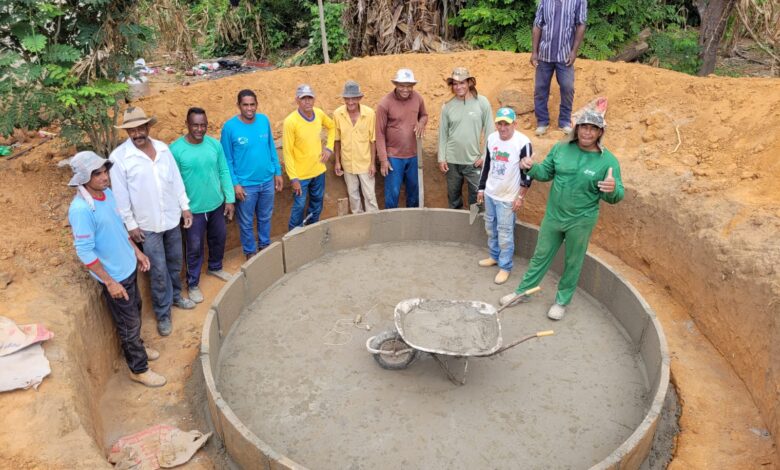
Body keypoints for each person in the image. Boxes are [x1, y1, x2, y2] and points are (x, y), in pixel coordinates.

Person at [500, 109, 623, 320]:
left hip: (581, 221)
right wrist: (530, 168)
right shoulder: (561, 149)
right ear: (577, 129)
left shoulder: (608, 161)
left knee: (573, 261)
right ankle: (523, 292)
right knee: (540, 255)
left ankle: (561, 301)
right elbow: (545, 172)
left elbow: (616, 195)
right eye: (584, 127)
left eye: (593, 128)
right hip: (554, 216)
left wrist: (612, 189)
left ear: (600, 132)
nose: (587, 132)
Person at [67, 151, 166, 387]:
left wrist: (137, 252)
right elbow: (85, 251)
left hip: (128, 268)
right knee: (128, 323)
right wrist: (109, 281)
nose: (105, 177)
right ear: (83, 178)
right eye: (97, 173)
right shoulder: (81, 210)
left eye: (104, 171)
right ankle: (139, 369)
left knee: (135, 311)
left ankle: (136, 348)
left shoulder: (106, 194)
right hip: (115, 277)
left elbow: (120, 229)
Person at [110, 107, 195, 337]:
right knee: (157, 270)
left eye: (140, 128)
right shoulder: (119, 158)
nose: (137, 133)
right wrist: (131, 225)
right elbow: (120, 196)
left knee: (175, 262)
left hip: (171, 218)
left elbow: (175, 180)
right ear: (127, 132)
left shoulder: (163, 149)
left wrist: (184, 207)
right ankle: (163, 312)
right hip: (147, 225)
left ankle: (176, 296)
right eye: (131, 130)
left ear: (148, 127)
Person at [171, 107, 236, 304]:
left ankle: (215, 267)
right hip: (193, 211)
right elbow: (172, 182)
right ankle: (192, 284)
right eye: (195, 125)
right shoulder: (175, 150)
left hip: (216, 204)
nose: (200, 129)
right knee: (194, 247)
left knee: (219, 238)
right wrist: (183, 209)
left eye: (203, 125)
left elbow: (224, 171)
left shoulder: (214, 145)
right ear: (187, 125)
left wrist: (229, 198)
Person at [220, 90, 283, 258]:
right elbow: (227, 160)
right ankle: (250, 253)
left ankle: (264, 247)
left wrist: (277, 171)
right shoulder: (229, 128)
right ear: (238, 106)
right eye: (245, 105)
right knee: (246, 222)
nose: (249, 108)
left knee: (265, 216)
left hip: (267, 181)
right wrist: (235, 184)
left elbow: (271, 147)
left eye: (252, 104)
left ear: (257, 104)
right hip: (246, 185)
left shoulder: (264, 121)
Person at [476, 108, 533, 285]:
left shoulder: (523, 142)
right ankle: (494, 256)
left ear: (514, 124)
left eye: (506, 124)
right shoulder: (492, 138)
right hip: (491, 193)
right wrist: (481, 189)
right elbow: (487, 166)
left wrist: (521, 197)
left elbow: (527, 173)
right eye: (499, 123)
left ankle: (505, 266)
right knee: (490, 227)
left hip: (508, 197)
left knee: (505, 232)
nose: (502, 128)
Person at [438, 67, 495, 209]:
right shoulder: (448, 106)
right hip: (451, 161)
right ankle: (455, 228)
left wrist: (485, 156)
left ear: (470, 82)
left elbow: (490, 131)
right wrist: (441, 158)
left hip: (474, 161)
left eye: (462, 83)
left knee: (477, 200)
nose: (458, 87)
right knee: (453, 198)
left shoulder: (482, 102)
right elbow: (443, 134)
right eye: (455, 84)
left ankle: (474, 228)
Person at [530, 0, 587, 136]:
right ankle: (542, 122)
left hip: (565, 54)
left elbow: (581, 25)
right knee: (540, 88)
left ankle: (564, 122)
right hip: (545, 54)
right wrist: (534, 52)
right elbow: (537, 25)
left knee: (568, 87)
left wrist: (574, 51)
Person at [282, 84, 335, 230]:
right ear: (297, 100)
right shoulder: (290, 122)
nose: (307, 102)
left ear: (314, 99)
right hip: (301, 175)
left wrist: (329, 148)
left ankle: (312, 230)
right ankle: (293, 235)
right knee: (299, 206)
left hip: (318, 170)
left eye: (310, 98)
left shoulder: (319, 114)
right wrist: (294, 178)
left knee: (317, 202)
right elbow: (287, 152)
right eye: (303, 98)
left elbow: (332, 127)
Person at [375, 68, 428, 208]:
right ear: (396, 84)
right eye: (402, 86)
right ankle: (391, 224)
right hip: (393, 157)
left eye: (409, 86)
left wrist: (421, 123)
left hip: (414, 155)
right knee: (392, 193)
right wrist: (383, 160)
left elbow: (424, 115)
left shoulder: (417, 98)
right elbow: (379, 133)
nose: (406, 89)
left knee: (414, 192)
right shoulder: (385, 103)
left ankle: (413, 223)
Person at [333, 80, 379, 214]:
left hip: (365, 163)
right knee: (353, 197)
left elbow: (373, 140)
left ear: (359, 98)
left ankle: (374, 223)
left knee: (370, 196)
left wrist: (372, 164)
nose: (350, 102)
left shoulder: (369, 114)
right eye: (347, 98)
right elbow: (337, 140)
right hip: (347, 162)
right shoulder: (338, 114)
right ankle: (359, 225)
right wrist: (337, 161)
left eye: (353, 98)